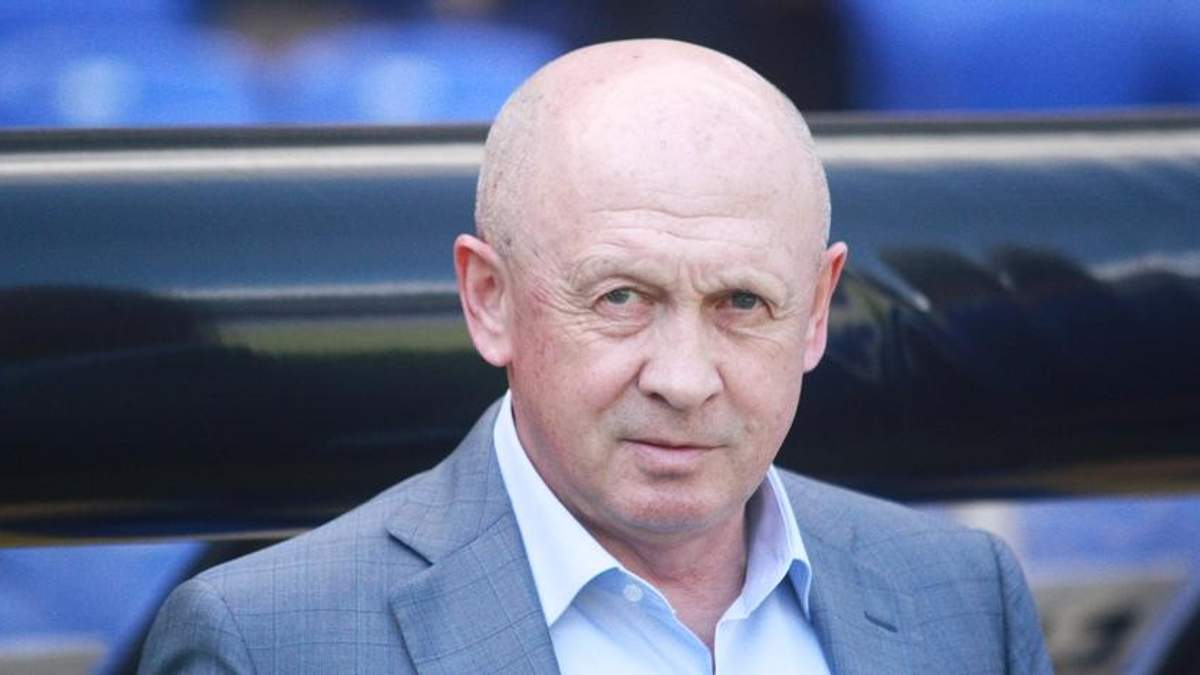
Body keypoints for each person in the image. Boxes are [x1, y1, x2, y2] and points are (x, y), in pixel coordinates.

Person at [140, 39, 1052, 674]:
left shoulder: (966, 597)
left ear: (815, 310)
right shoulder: (266, 644)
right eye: (622, 298)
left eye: (742, 302)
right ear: (489, 299)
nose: (684, 379)